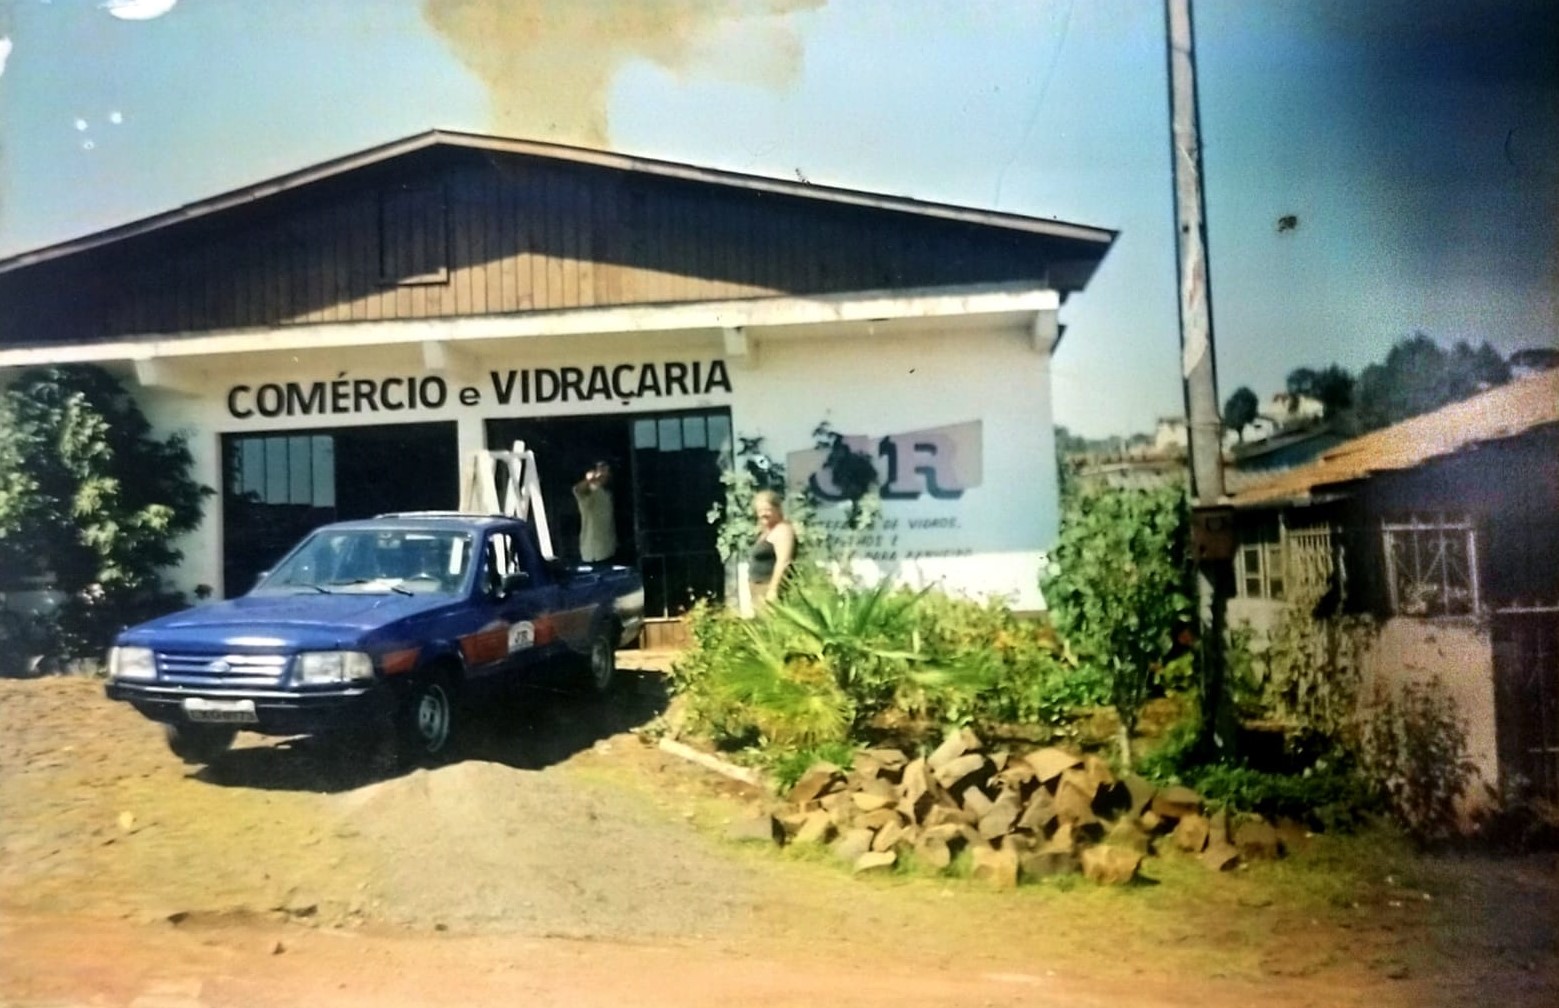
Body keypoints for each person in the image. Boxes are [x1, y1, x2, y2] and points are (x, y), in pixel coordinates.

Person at [749, 489, 796, 613]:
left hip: (769, 587)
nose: (763, 514)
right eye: (760, 511)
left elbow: (783, 562)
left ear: (778, 509)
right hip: (758, 588)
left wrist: (773, 589)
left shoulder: (783, 530)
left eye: (767, 510)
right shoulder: (766, 531)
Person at [573, 461, 617, 564]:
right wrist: (590, 480)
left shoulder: (607, 493)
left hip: (609, 550)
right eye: (601, 469)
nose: (604, 473)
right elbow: (578, 490)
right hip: (594, 554)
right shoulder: (590, 492)